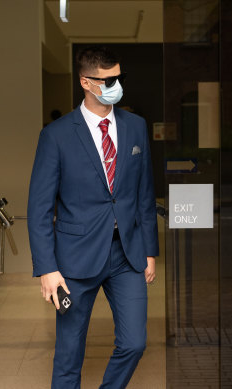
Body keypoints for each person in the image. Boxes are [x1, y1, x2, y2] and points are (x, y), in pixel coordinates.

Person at [27, 45, 159, 388]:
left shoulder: (136, 126)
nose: (117, 84)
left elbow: (144, 192)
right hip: (74, 259)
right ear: (86, 82)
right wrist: (47, 268)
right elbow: (39, 208)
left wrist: (149, 250)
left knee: (134, 343)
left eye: (120, 77)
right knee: (69, 356)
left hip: (126, 254)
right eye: (108, 79)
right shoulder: (55, 135)